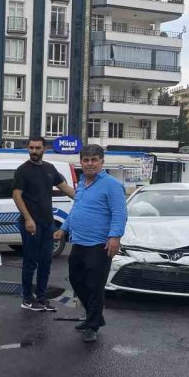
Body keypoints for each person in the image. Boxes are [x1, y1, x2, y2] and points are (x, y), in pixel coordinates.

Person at [54, 145, 127, 343]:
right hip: (79, 242)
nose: (89, 164)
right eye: (86, 160)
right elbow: (76, 209)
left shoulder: (112, 185)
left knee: (95, 286)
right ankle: (94, 317)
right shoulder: (82, 184)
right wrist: (64, 229)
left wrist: (115, 237)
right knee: (77, 280)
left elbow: (119, 213)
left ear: (102, 162)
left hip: (100, 244)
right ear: (81, 162)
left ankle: (92, 325)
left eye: (94, 159)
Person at [13, 136, 76, 312]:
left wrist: (85, 198)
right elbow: (17, 195)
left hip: (47, 223)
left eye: (37, 148)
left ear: (44, 149)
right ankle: (27, 298)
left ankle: (41, 298)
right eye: (31, 148)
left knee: (46, 262)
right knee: (30, 262)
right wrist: (28, 219)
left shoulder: (50, 169)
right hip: (31, 224)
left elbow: (65, 188)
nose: (34, 151)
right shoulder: (23, 170)